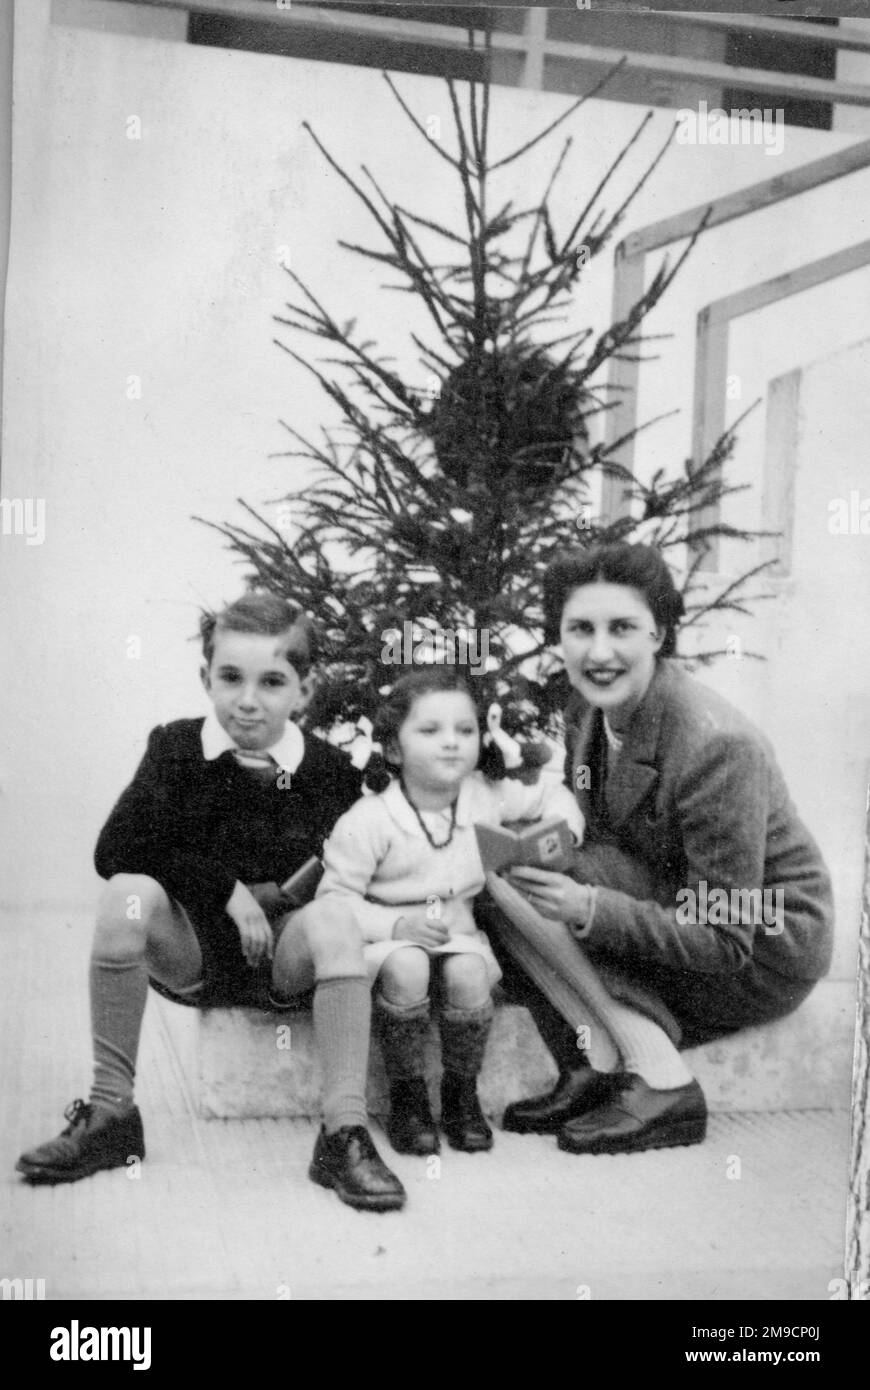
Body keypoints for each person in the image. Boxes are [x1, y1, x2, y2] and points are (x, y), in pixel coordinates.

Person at [16, 593, 405, 1212]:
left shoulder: (329, 770)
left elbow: (355, 869)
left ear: (304, 691)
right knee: (127, 895)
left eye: (272, 682)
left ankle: (342, 1133)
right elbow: (116, 846)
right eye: (230, 678)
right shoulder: (176, 748)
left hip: (286, 959)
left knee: (333, 916)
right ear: (206, 678)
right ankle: (112, 1113)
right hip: (195, 954)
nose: (248, 700)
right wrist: (226, 891)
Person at [480, 542, 834, 1156]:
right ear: (557, 638)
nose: (599, 651)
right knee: (495, 874)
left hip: (765, 946)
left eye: (622, 628)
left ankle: (663, 1081)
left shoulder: (717, 747)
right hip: (665, 894)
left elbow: (725, 939)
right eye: (579, 629)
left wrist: (590, 907)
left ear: (659, 633)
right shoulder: (591, 710)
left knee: (544, 894)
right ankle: (595, 1061)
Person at [315, 667, 584, 1157]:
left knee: (469, 975)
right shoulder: (371, 819)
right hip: (388, 941)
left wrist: (566, 832)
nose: (452, 743)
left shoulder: (484, 795)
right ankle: (408, 1095)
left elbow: (551, 791)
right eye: (430, 730)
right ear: (394, 749)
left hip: (457, 936)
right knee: (409, 965)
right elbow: (333, 903)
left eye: (465, 731)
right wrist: (395, 924)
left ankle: (461, 1094)